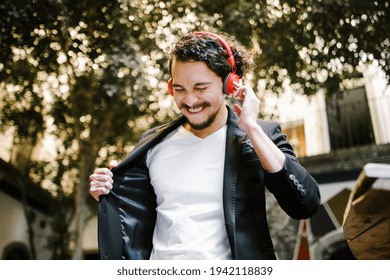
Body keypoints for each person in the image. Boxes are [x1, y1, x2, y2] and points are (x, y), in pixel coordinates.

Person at [89, 31, 321, 260]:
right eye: (179, 89)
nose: (190, 100)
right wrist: (108, 191)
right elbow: (130, 215)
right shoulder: (151, 144)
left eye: (200, 88)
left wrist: (251, 127)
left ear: (229, 84)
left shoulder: (261, 136)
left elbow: (305, 204)